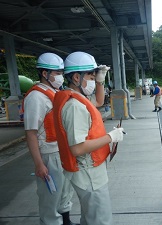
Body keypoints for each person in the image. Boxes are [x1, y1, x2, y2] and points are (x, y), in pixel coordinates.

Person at [52, 51, 125, 225]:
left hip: (90, 171)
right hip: (88, 173)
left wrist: (100, 81)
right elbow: (77, 148)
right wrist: (110, 137)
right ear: (77, 77)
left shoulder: (78, 98)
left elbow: (98, 101)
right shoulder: (75, 106)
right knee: (100, 220)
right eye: (91, 77)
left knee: (90, 218)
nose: (93, 81)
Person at [23, 53, 78, 225]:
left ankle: (66, 221)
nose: (60, 76)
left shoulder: (55, 92)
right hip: (49, 154)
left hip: (62, 150)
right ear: (45, 74)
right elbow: (31, 133)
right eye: (57, 72)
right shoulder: (36, 97)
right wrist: (39, 164)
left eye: (61, 72)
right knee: (50, 197)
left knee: (65, 192)